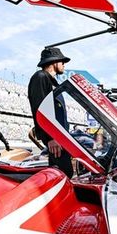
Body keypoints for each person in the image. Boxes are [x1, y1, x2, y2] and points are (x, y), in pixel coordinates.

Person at [28, 46, 73, 176]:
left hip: (60, 137)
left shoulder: (52, 82)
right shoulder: (41, 77)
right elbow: (40, 109)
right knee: (63, 174)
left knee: (64, 173)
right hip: (55, 138)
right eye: (62, 62)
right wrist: (51, 137)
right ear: (54, 62)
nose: (64, 65)